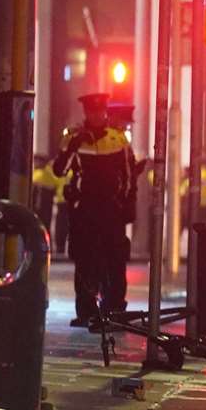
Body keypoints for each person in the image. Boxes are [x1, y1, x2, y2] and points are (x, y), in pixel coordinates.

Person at [54, 92, 138, 325]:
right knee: (84, 260)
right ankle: (86, 311)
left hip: (111, 210)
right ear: (86, 113)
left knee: (115, 259)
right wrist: (73, 146)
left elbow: (129, 174)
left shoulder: (118, 139)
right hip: (85, 211)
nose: (97, 115)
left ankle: (115, 309)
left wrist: (125, 203)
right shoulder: (74, 137)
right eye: (93, 111)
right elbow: (59, 170)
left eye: (101, 111)